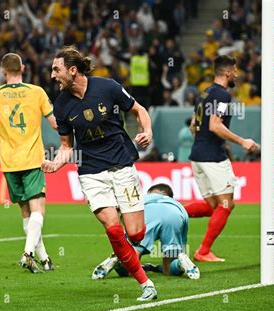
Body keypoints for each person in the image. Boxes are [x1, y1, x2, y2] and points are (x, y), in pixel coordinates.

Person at [43, 46, 157, 301]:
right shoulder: (60, 105)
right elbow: (66, 147)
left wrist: (147, 131)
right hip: (91, 172)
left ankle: (122, 253)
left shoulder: (108, 87)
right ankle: (145, 283)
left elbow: (138, 109)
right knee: (113, 229)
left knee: (136, 233)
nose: (52, 75)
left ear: (72, 71)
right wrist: (54, 164)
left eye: (56, 69)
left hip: (121, 164)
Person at [0, 53, 58, 273]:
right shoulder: (37, 92)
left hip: (9, 163)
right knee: (38, 211)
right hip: (32, 159)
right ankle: (28, 253)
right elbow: (55, 123)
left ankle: (45, 258)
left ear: (3, 71)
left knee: (26, 214)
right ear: (23, 67)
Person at [186, 55, 258, 262]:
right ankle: (203, 251)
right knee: (227, 204)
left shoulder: (204, 93)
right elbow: (215, 125)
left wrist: (205, 141)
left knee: (212, 207)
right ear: (227, 72)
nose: (237, 74)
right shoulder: (223, 96)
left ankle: (171, 212)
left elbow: (194, 125)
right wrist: (242, 141)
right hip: (212, 157)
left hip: (197, 154)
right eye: (235, 70)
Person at [92, 184, 200, 280]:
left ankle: (118, 261)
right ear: (170, 197)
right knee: (168, 267)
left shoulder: (143, 198)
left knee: (132, 263)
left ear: (149, 192)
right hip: (174, 215)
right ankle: (181, 264)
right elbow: (184, 227)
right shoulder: (177, 204)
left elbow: (123, 214)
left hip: (146, 212)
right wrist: (176, 253)